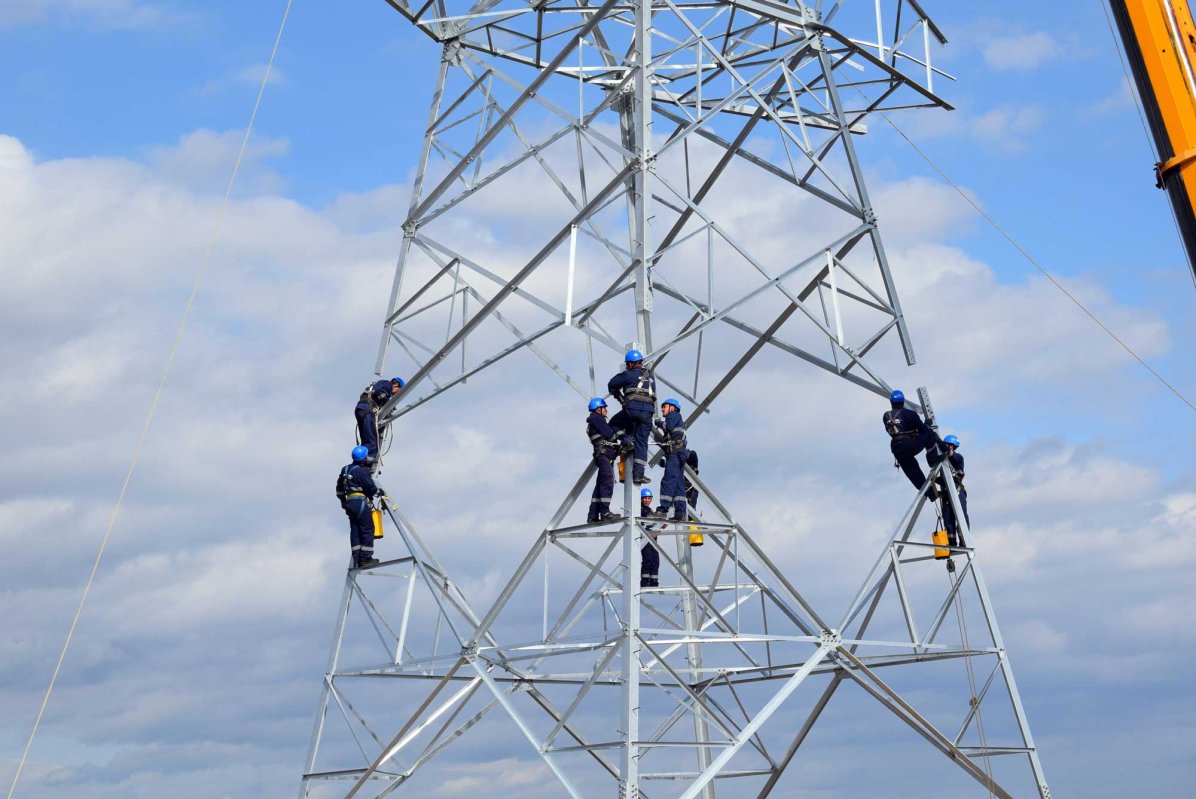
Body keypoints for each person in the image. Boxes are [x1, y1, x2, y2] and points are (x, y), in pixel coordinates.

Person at [607, 349, 655, 486]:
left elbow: (612, 384)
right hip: (648, 413)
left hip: (633, 410)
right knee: (642, 443)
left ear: (631, 364)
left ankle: (627, 441)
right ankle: (639, 475)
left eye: (628, 364)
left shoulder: (629, 374)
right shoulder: (650, 378)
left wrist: (618, 394)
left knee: (613, 424)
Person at [336, 445, 384, 569]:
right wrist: (379, 493)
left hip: (349, 503)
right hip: (359, 503)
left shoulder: (345, 469)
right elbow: (370, 487)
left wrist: (343, 501)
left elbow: (339, 489)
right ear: (364, 459)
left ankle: (357, 558)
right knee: (368, 529)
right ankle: (366, 558)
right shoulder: (361, 472)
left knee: (355, 530)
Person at [882, 389, 936, 492]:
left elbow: (891, 430)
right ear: (903, 402)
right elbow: (923, 430)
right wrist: (927, 424)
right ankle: (932, 459)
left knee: (913, 473)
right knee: (929, 433)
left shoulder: (886, 415)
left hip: (897, 449)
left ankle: (930, 494)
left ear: (891, 402)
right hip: (908, 445)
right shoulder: (910, 414)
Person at [651, 398, 689, 521]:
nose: (662, 409)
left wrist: (658, 423)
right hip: (679, 453)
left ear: (672, 407)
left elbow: (669, 426)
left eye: (665, 406)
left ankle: (663, 509)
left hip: (675, 453)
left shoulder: (673, 415)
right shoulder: (678, 418)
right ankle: (680, 512)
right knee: (678, 484)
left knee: (668, 480)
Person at [586, 397, 620, 523]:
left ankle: (593, 515)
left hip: (602, 455)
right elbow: (610, 434)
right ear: (598, 409)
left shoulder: (594, 420)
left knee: (600, 485)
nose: (606, 410)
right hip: (603, 455)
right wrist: (617, 436)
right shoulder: (597, 418)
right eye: (604, 408)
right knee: (607, 482)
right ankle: (605, 512)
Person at [355, 378, 400, 465]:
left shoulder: (377, 384)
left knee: (366, 437)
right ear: (396, 385)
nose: (395, 394)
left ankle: (362, 459)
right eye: (399, 391)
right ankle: (369, 459)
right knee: (371, 438)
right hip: (367, 410)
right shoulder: (387, 384)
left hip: (361, 409)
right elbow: (379, 392)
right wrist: (388, 404)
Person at [938, 434, 970, 547]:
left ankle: (964, 541)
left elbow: (953, 456)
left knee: (961, 515)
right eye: (946, 445)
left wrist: (944, 449)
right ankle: (951, 543)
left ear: (953, 446)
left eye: (949, 445)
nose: (947, 447)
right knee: (948, 518)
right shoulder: (941, 461)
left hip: (957, 491)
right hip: (946, 493)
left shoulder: (959, 458)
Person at [639, 487, 660, 588]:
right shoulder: (640, 510)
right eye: (645, 498)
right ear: (641, 499)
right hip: (644, 538)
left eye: (649, 498)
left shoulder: (650, 511)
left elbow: (653, 522)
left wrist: (661, 523)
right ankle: (645, 581)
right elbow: (643, 523)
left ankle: (654, 581)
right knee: (647, 559)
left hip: (653, 539)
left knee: (655, 560)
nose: (647, 500)